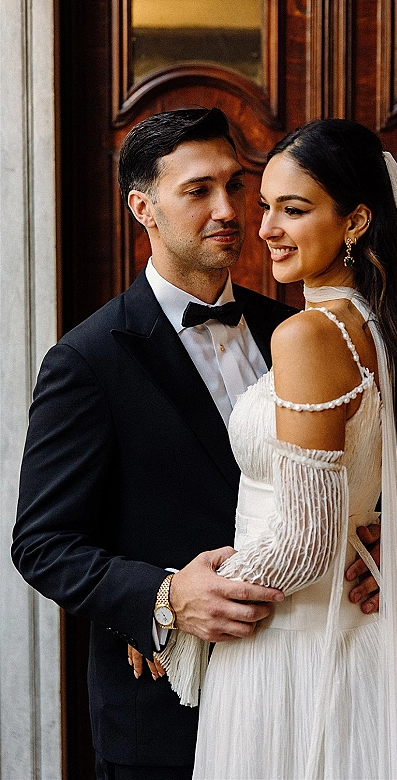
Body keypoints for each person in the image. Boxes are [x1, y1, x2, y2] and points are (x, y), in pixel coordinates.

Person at [160, 118, 397, 779]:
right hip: (359, 644)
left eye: (293, 209)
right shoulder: (386, 325)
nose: (266, 227)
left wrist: (182, 606)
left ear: (355, 220)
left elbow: (307, 539)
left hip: (292, 654)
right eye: (266, 204)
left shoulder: (307, 335)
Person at [12, 108, 306, 780]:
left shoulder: (291, 330)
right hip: (167, 714)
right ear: (142, 207)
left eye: (235, 185)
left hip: (298, 682)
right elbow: (42, 543)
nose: (228, 208)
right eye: (198, 190)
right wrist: (165, 598)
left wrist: (362, 539)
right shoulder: (86, 360)